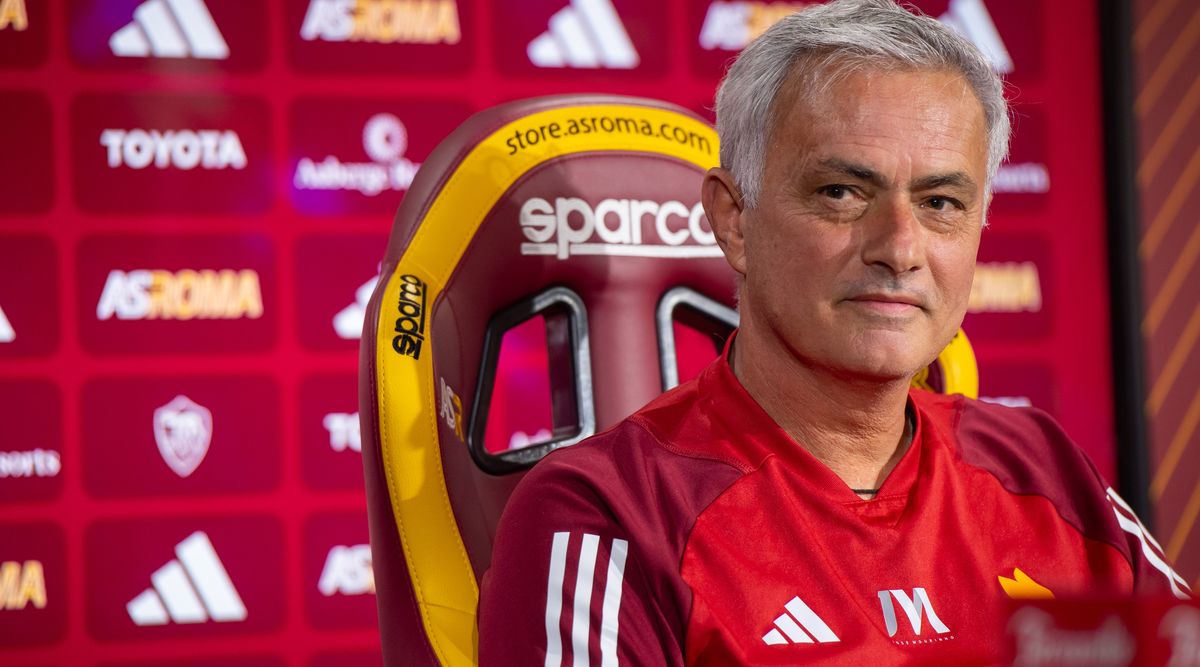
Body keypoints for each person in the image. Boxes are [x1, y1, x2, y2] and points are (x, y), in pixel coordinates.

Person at [477, 0, 1190, 664]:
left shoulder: (1044, 467)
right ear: (735, 219)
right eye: (842, 193)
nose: (900, 246)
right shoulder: (606, 516)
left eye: (941, 201)